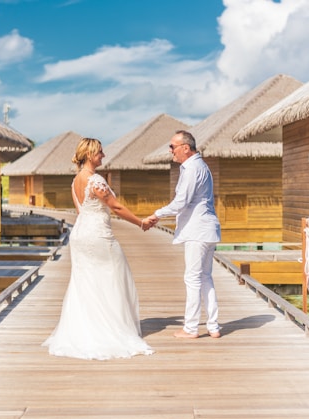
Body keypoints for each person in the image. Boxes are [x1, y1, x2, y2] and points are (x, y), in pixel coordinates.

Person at [42, 137, 154, 360]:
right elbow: (116, 206)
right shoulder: (95, 180)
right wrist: (140, 222)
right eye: (100, 152)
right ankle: (111, 327)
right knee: (114, 276)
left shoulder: (75, 181)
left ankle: (85, 328)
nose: (103, 155)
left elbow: (81, 211)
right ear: (90, 155)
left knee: (86, 280)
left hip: (81, 234)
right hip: (97, 235)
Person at [145, 130, 221, 339]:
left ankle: (191, 327)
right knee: (205, 277)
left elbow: (182, 202)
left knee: (193, 278)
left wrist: (156, 214)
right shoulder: (200, 165)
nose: (171, 152)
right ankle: (213, 326)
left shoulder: (191, 168)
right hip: (207, 229)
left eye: (173, 147)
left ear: (185, 148)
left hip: (197, 231)